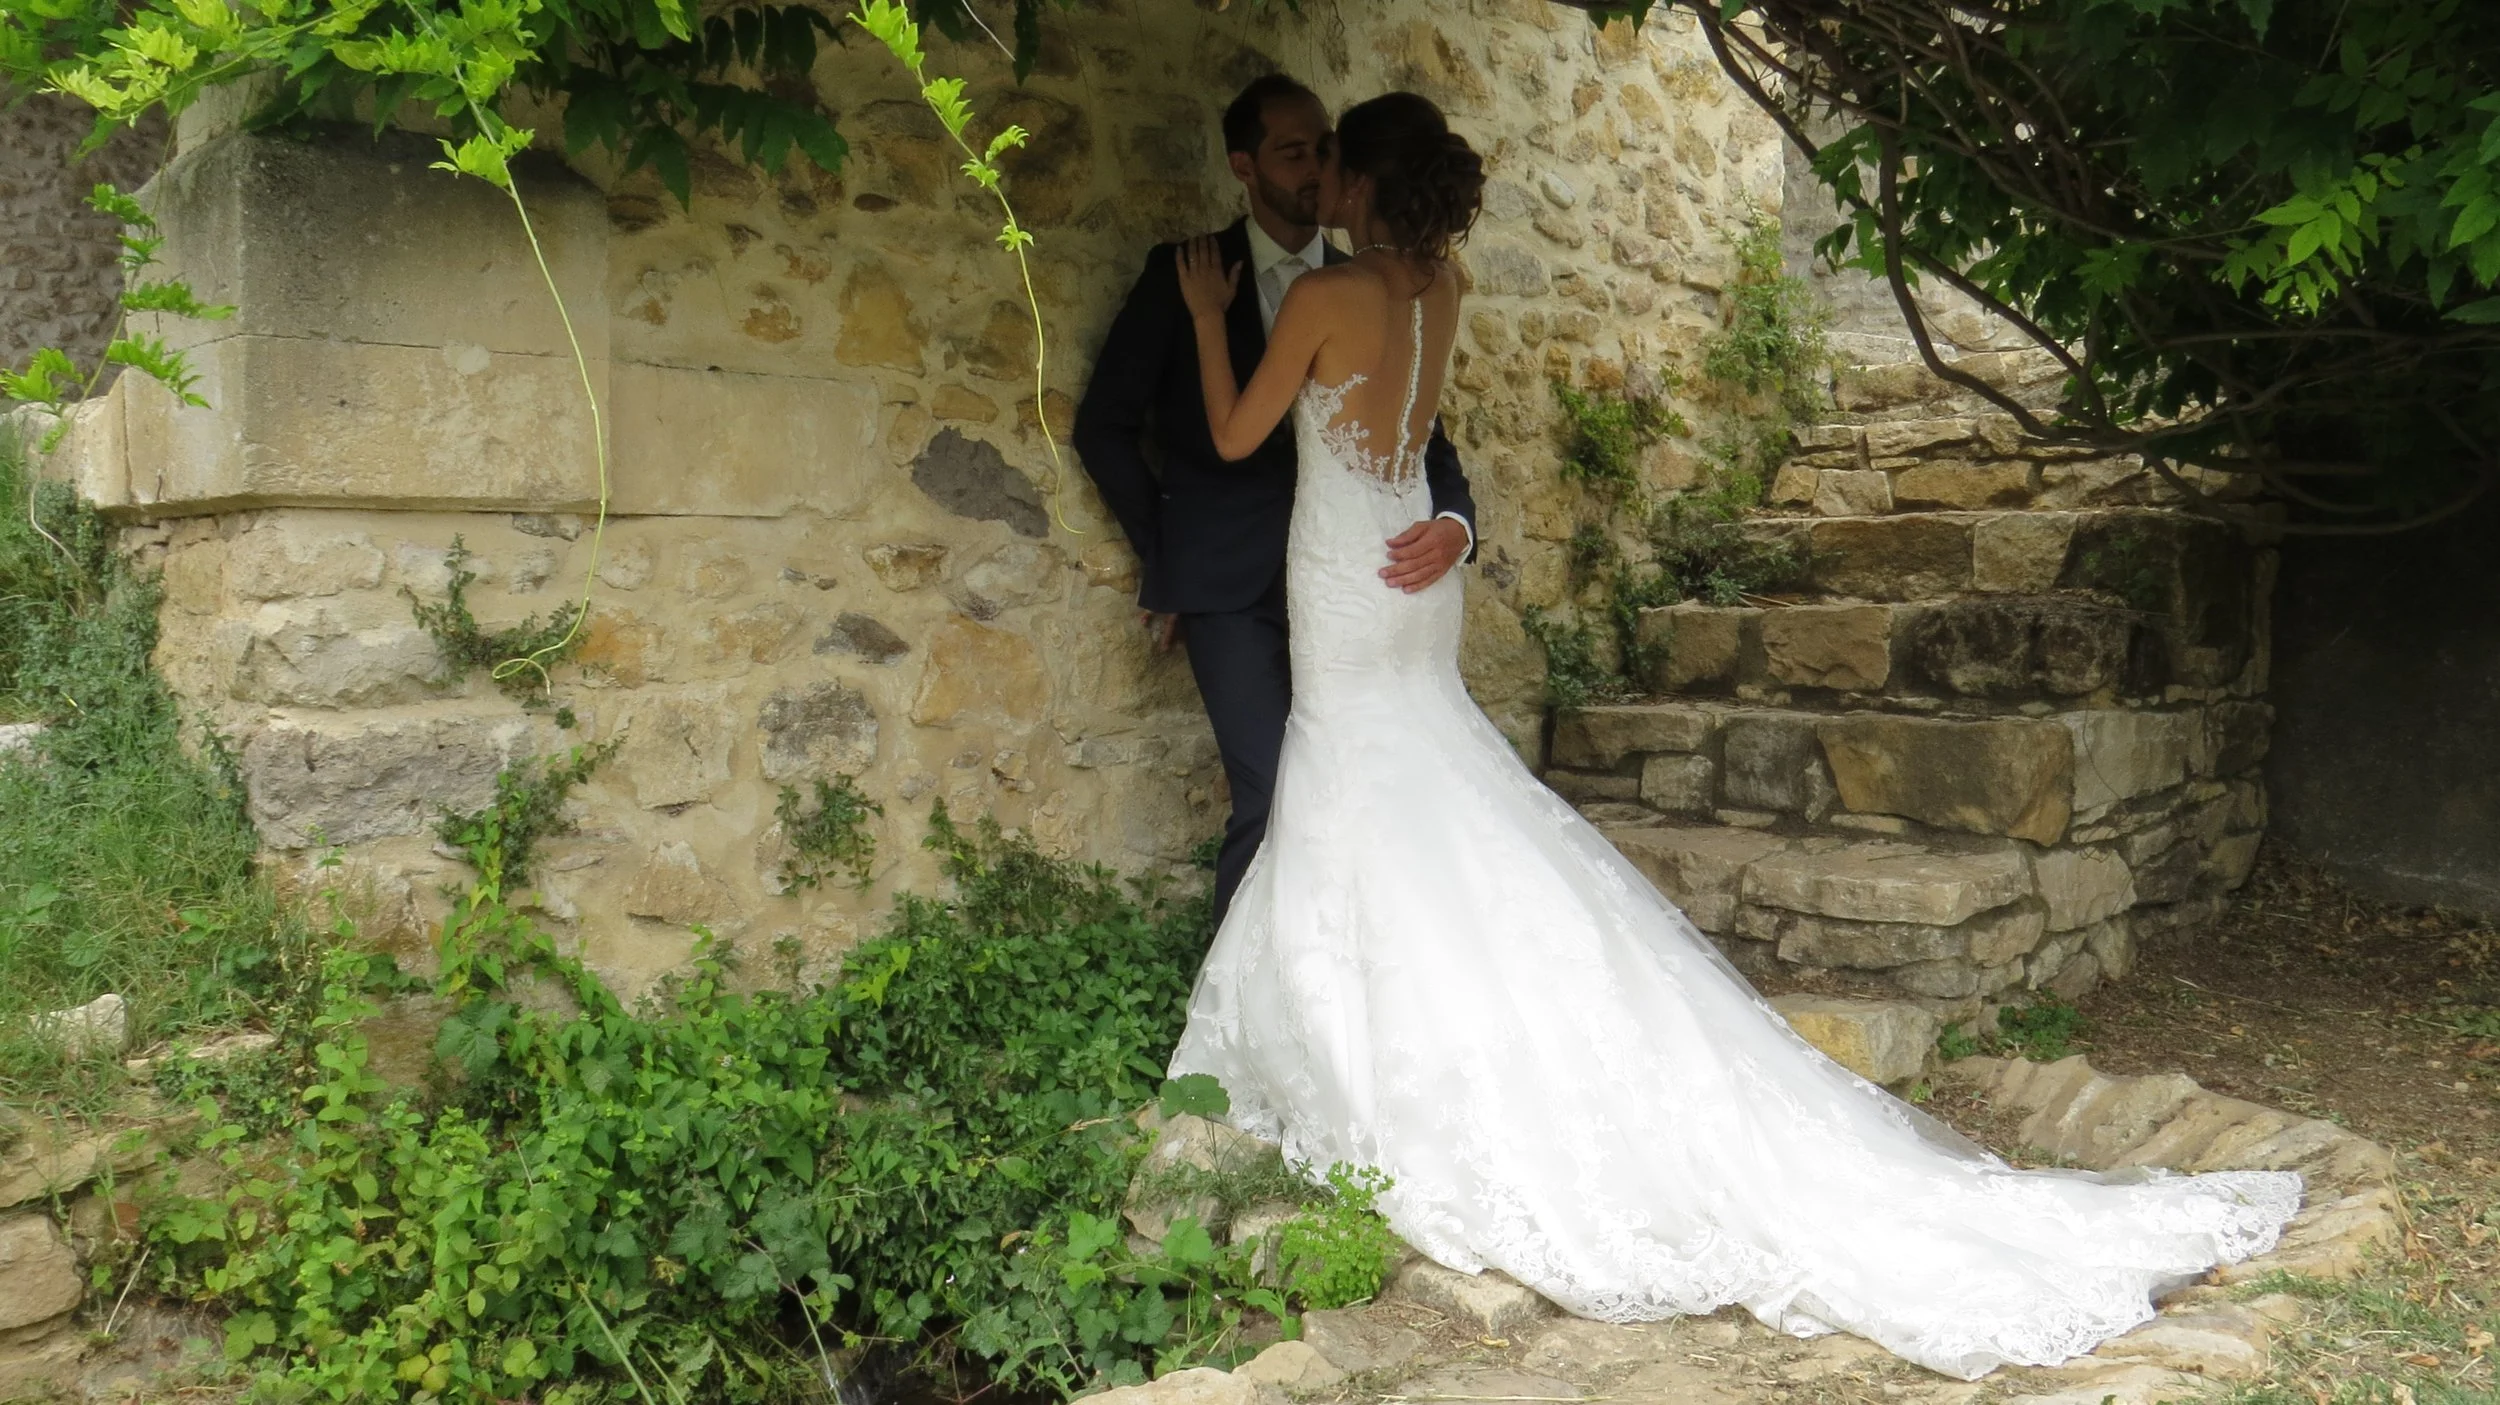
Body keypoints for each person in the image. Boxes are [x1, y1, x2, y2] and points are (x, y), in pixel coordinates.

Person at [1160, 89, 2305, 1382]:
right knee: (1414, 772)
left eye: (1335, 175)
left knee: (1359, 773)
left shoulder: (1322, 296)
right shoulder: (1446, 286)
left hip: (1348, 564)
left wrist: (1211, 323)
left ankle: (1379, 1051)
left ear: (1362, 184)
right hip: (1417, 560)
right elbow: (1414, 435)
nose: (1323, 195)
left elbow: (1236, 433)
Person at [1073, 74, 1477, 926]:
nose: (1317, 167)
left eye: (1328, 150)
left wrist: (1457, 522)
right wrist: (1168, 558)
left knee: (1359, 787)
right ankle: (1258, 1017)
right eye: (1297, 151)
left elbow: (1427, 435)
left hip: (1358, 581)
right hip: (1234, 588)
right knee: (1271, 793)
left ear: (1357, 178)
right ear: (1243, 166)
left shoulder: (1362, 281)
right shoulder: (1183, 275)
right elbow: (1104, 426)